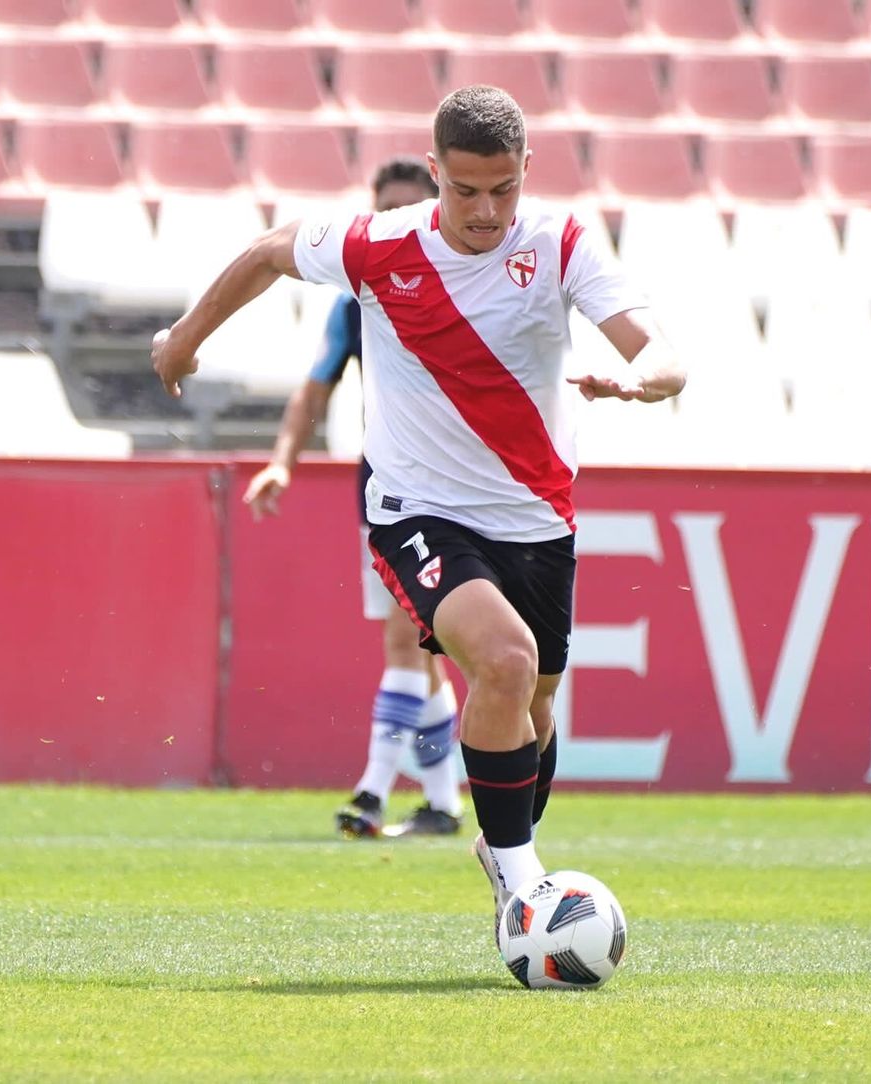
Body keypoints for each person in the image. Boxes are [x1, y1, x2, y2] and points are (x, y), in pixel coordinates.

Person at [153, 85, 685, 930]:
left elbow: (662, 351)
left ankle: (502, 847)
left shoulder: (562, 242)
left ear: (526, 173)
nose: (485, 209)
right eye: (465, 189)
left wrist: (640, 377)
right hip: (415, 510)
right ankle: (521, 886)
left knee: (534, 706)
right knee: (504, 664)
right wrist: (184, 336)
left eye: (503, 189)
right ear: (434, 172)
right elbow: (265, 251)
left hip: (536, 515)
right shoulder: (377, 245)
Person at [242, 157, 465, 840]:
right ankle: (440, 805)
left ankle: (372, 792)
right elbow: (315, 389)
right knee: (417, 650)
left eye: (409, 207)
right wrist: (283, 461)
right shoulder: (357, 301)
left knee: (409, 642)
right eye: (385, 209)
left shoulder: (466, 292)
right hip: (385, 487)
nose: (396, 221)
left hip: (453, 488)